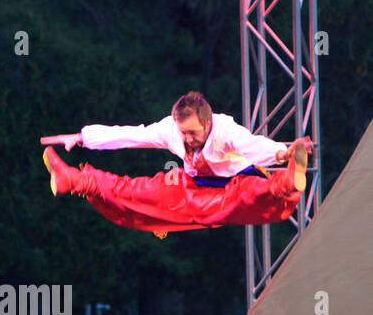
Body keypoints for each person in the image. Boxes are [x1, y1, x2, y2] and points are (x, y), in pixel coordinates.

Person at [40, 91, 313, 235]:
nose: (188, 139)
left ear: (207, 124)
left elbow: (252, 146)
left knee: (250, 193)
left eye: (193, 133)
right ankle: (77, 180)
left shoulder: (225, 130)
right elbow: (130, 134)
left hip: (232, 185)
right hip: (191, 188)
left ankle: (289, 179)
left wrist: (284, 153)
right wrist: (81, 137)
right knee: (139, 191)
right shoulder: (171, 129)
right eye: (183, 133)